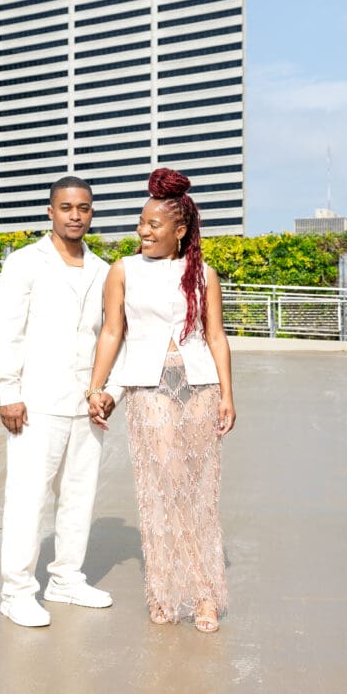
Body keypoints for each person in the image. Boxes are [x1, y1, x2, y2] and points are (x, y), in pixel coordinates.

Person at [87, 167, 235, 633]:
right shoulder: (123, 270)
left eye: (154, 224)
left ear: (180, 230)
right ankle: (177, 591)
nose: (143, 231)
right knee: (165, 486)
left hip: (200, 388)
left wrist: (229, 394)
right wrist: (97, 387)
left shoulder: (203, 274)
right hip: (149, 389)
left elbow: (216, 335)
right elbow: (112, 332)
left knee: (199, 491)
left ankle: (200, 594)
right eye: (141, 222)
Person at [0, 176, 121, 628]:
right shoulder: (25, 263)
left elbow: (114, 335)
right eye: (66, 207)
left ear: (91, 213)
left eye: (83, 207)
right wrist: (9, 391)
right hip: (36, 400)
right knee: (27, 498)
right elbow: (8, 329)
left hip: (85, 402)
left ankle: (66, 578)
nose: (75, 215)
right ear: (50, 211)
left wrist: (109, 390)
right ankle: (17, 590)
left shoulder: (104, 270)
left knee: (79, 496)